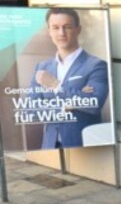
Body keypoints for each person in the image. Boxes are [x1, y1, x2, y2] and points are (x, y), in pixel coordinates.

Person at [30, 8, 110, 149]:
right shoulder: (42, 68)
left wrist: (55, 85)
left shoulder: (97, 65)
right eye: (55, 28)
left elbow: (94, 104)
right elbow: (30, 110)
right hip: (49, 145)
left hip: (82, 145)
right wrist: (65, 106)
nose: (61, 33)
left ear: (78, 29)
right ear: (49, 32)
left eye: (67, 27)